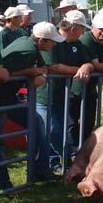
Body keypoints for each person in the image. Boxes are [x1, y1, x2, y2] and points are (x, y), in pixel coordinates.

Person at [0, 21, 65, 190]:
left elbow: (42, 69)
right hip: (1, 98)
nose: (55, 44)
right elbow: (5, 72)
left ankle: (39, 170)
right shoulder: (26, 50)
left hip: (8, 97)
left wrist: (36, 73)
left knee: (35, 122)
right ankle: (5, 184)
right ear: (41, 40)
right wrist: (29, 73)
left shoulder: (31, 46)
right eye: (52, 41)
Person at [36, 10, 93, 172]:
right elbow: (53, 67)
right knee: (51, 130)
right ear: (74, 28)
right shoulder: (51, 40)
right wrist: (79, 69)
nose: (83, 33)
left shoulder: (78, 44)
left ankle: (62, 163)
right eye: (82, 29)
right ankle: (53, 163)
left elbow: (89, 63)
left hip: (61, 96)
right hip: (45, 96)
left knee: (59, 131)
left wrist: (86, 66)